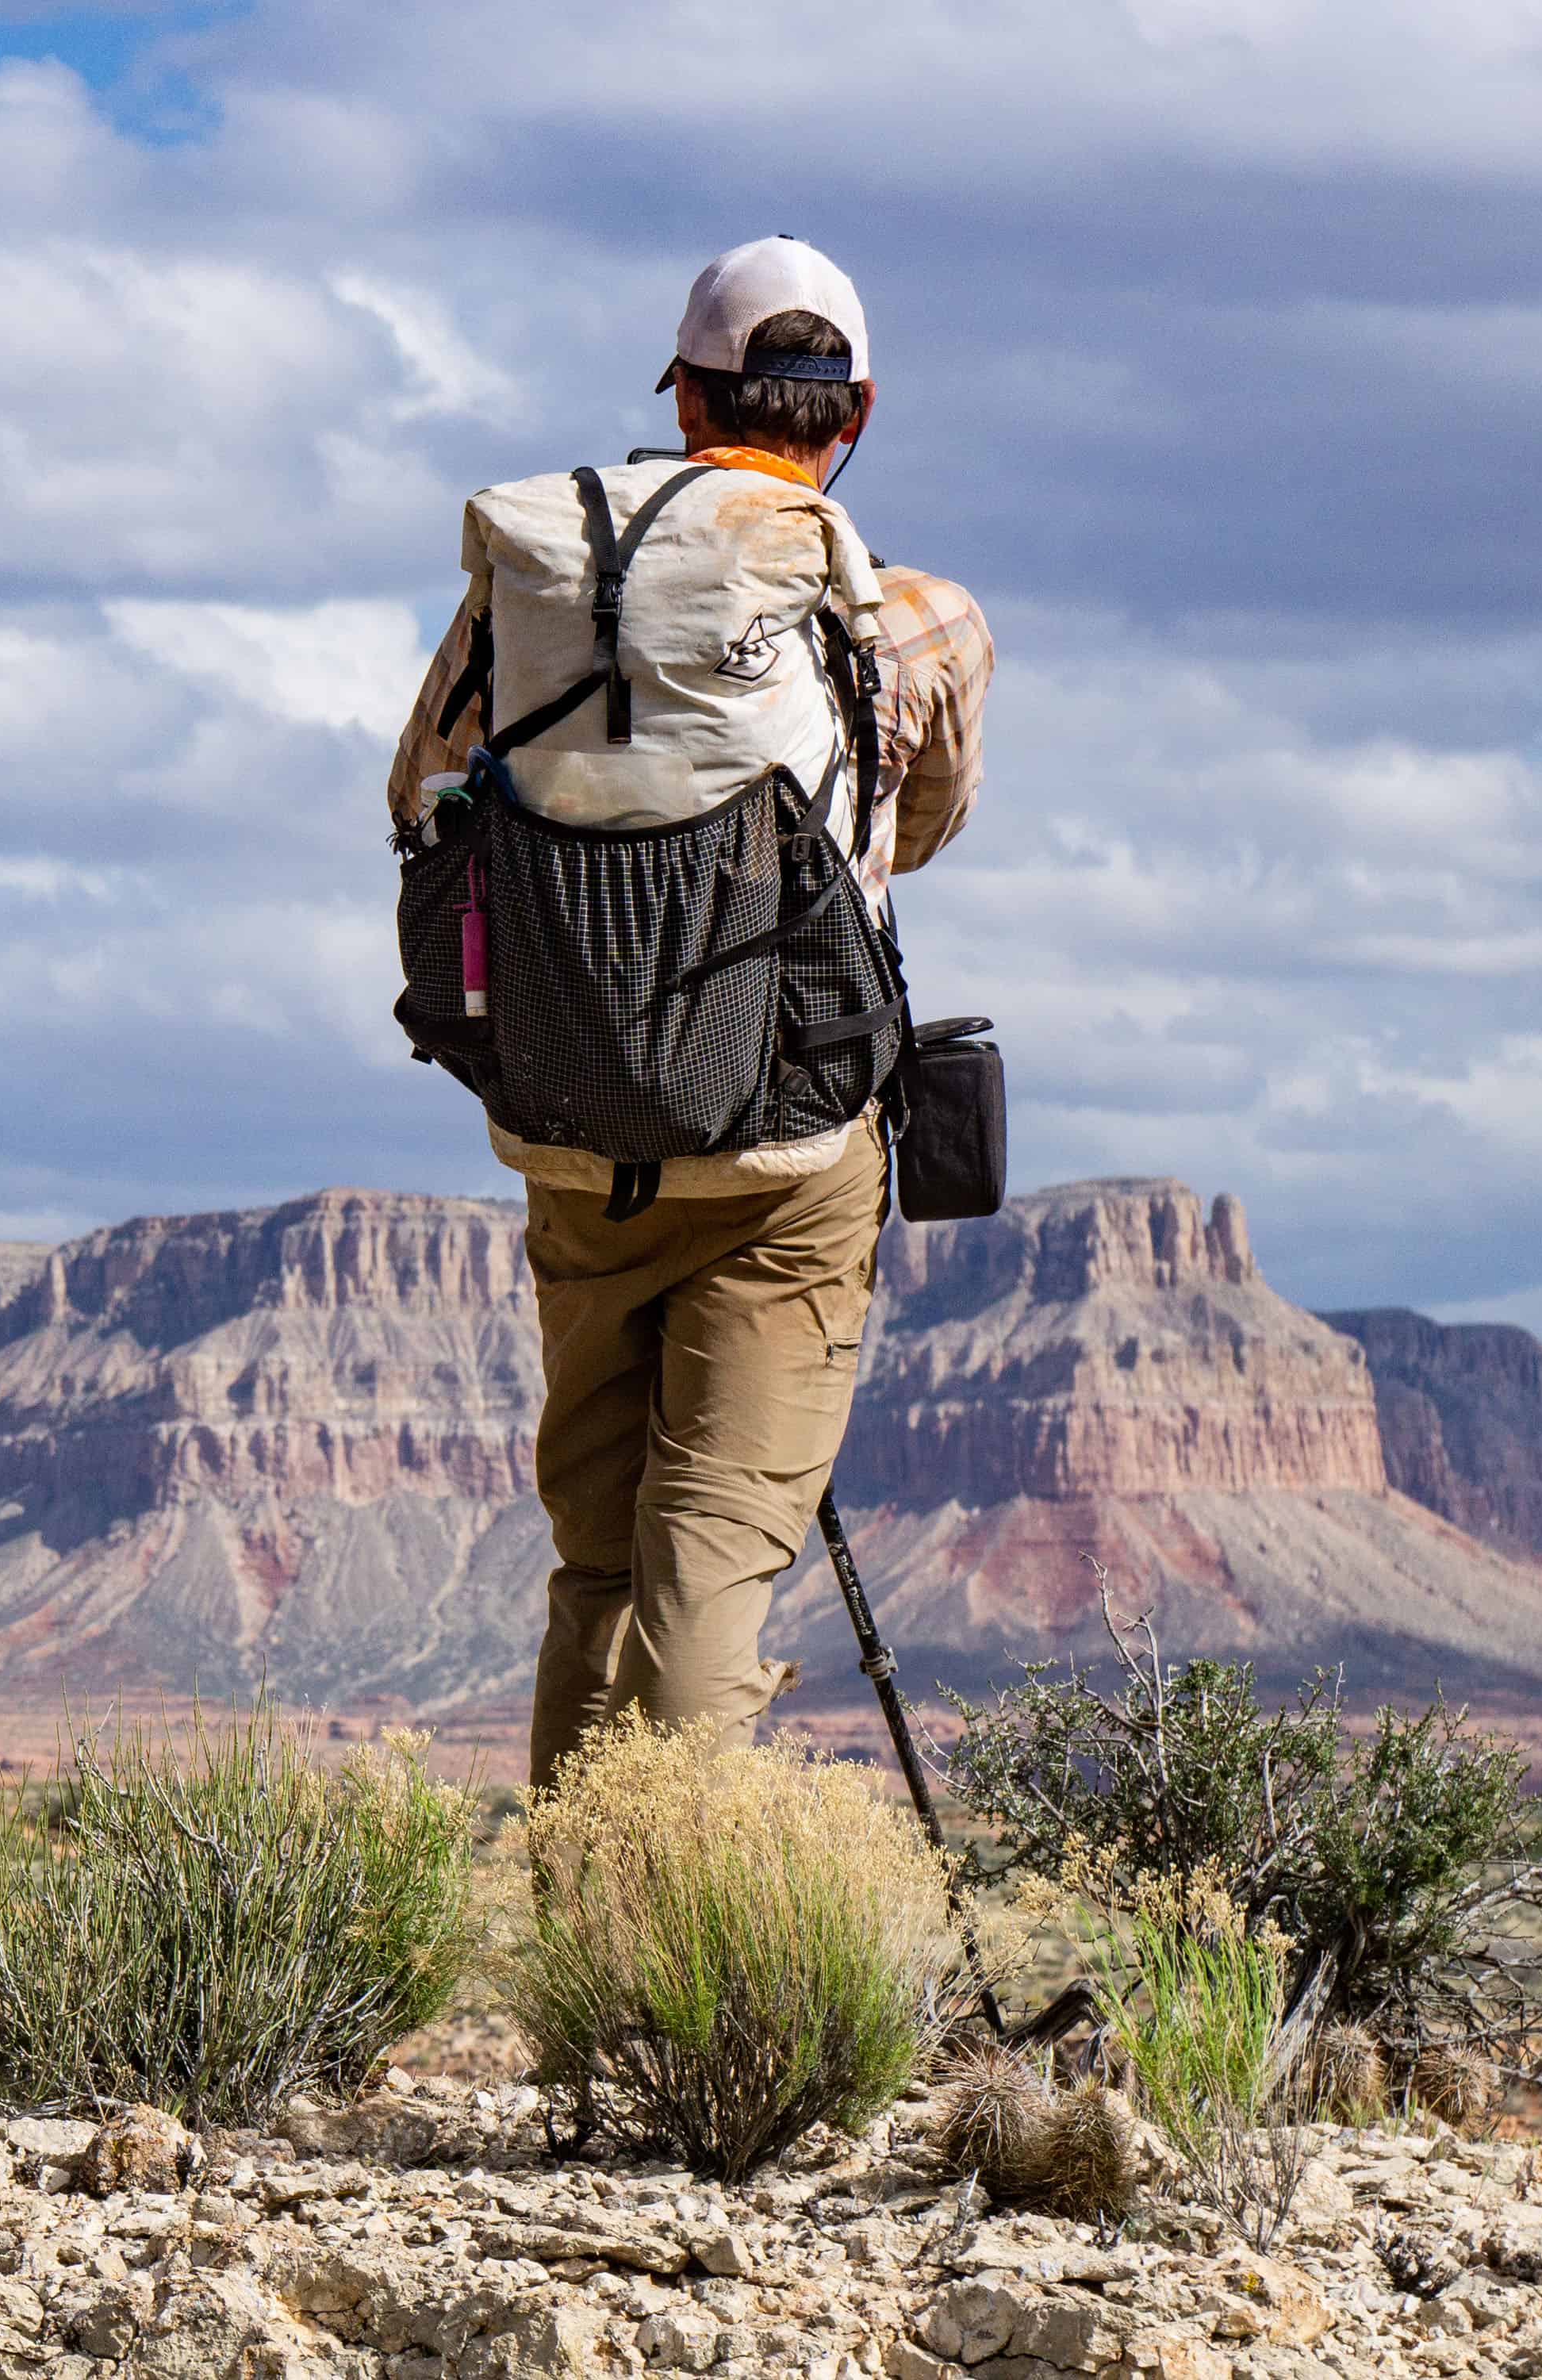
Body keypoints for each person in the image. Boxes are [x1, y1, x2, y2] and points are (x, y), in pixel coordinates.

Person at [387, 236, 992, 1791]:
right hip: (786, 1162)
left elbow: (420, 794)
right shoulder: (912, 615)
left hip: (575, 1135)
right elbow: (907, 833)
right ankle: (673, 1941)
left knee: (594, 1561)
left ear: (685, 390)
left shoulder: (527, 583)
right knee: (706, 1563)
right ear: (849, 411)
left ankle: (587, 1954)